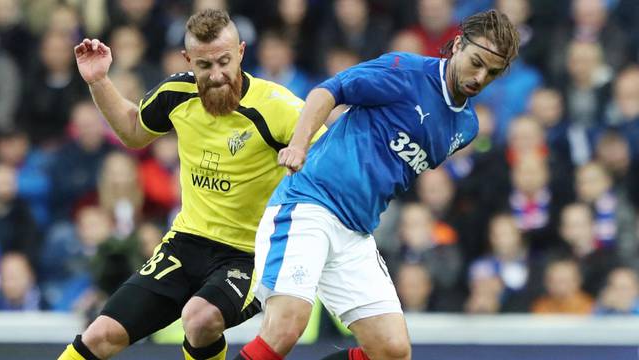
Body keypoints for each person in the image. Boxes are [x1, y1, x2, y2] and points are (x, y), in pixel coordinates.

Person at [234, 9, 520, 360]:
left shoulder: (467, 127)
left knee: (392, 351)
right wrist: (298, 144)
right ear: (458, 44)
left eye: (491, 73)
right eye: (476, 62)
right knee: (286, 327)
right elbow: (329, 91)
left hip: (356, 231)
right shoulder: (406, 71)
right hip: (310, 204)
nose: (479, 77)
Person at [58, 9, 324, 360]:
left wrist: (303, 159)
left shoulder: (278, 107)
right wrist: (98, 81)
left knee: (198, 319)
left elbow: (328, 159)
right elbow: (134, 132)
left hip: (250, 254)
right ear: (188, 60)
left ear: (242, 52)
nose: (216, 75)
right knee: (101, 334)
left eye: (224, 62)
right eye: (204, 66)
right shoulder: (176, 93)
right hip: (186, 243)